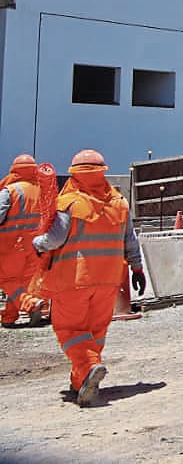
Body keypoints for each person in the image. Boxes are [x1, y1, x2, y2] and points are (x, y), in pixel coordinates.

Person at [32, 149, 144, 407]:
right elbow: (130, 240)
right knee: (95, 332)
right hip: (109, 281)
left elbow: (55, 239)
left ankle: (90, 367)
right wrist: (137, 268)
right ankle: (81, 380)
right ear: (102, 172)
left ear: (74, 173)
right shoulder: (119, 202)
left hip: (74, 279)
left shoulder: (69, 202)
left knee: (69, 329)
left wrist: (37, 243)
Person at [0, 155, 45, 327]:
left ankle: (31, 304)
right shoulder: (42, 191)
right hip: (35, 247)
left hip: (11, 245)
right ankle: (9, 317)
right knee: (20, 283)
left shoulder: (10, 190)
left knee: (7, 280)